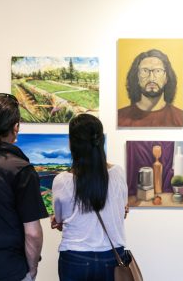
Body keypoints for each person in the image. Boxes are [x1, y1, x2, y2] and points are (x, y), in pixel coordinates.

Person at [52, 113, 128, 281]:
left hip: (75, 257)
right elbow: (122, 211)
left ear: (72, 143)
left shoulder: (62, 180)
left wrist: (57, 221)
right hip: (113, 256)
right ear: (101, 141)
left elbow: (59, 220)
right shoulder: (118, 173)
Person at [0, 93, 48, 281]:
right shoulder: (21, 169)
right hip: (8, 269)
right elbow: (32, 233)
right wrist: (32, 271)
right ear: (16, 127)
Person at [118, 49, 183, 127]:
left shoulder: (180, 118)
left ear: (166, 78)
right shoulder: (119, 118)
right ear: (137, 77)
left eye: (158, 71)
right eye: (145, 71)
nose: (151, 78)